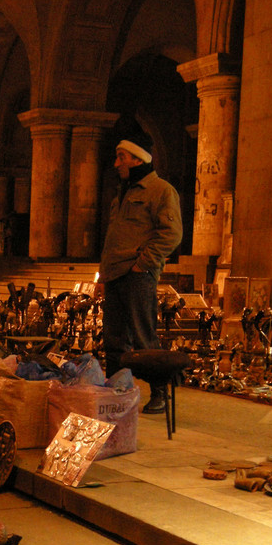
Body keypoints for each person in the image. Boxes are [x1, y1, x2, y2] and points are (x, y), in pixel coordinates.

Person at [97, 126, 182, 414]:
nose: (116, 163)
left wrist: (141, 264)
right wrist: (102, 274)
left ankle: (160, 393)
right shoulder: (121, 194)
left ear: (137, 159)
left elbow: (171, 234)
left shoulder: (160, 191)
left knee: (145, 338)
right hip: (115, 275)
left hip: (137, 276)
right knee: (114, 340)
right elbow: (114, 238)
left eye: (121, 157)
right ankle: (117, 392)